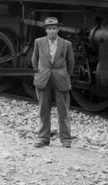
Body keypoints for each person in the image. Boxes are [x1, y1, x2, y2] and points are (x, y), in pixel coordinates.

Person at [31, 16, 75, 148]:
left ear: (58, 29)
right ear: (45, 30)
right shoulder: (38, 42)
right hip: (43, 79)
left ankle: (66, 139)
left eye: (54, 28)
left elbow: (71, 62)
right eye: (49, 28)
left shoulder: (66, 44)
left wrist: (66, 75)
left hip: (60, 79)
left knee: (63, 110)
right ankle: (43, 138)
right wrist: (38, 73)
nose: (52, 31)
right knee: (43, 110)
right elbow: (34, 59)